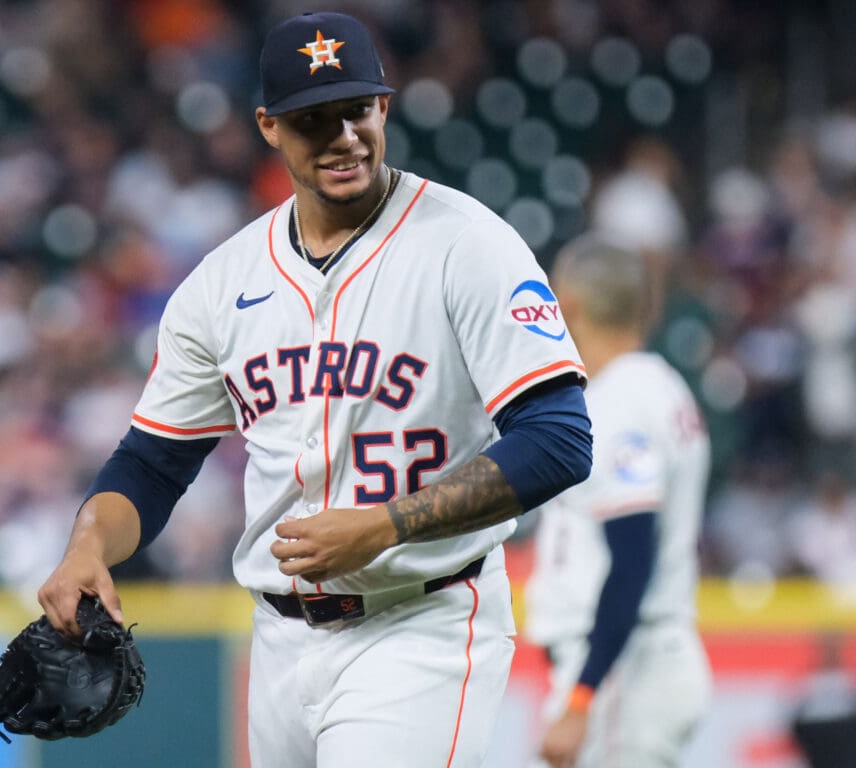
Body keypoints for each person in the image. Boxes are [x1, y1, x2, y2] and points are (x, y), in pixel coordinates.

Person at [37, 11, 592, 767]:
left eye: (356, 110)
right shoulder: (223, 283)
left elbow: (560, 438)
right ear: (268, 125)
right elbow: (152, 463)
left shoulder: (469, 246)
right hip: (278, 642)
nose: (343, 137)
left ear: (384, 108)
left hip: (419, 621)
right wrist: (87, 544)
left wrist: (387, 524)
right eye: (312, 120)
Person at [524, 234, 712, 768]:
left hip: (625, 671)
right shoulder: (659, 386)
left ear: (570, 306)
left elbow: (631, 562)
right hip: (636, 661)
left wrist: (583, 697)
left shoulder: (619, 402)